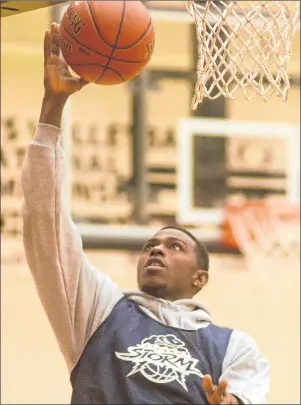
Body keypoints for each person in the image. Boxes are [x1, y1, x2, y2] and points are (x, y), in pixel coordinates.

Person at [21, 23, 270, 405]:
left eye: (175, 246)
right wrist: (52, 106)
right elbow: (45, 225)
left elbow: (246, 396)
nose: (156, 250)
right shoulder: (100, 310)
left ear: (200, 277)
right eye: (151, 244)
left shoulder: (232, 346)